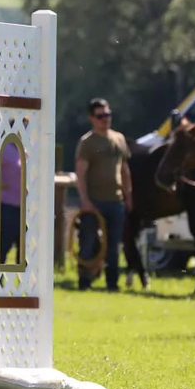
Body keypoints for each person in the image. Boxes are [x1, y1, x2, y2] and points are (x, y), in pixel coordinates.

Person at [74, 98, 132, 291]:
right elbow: (80, 173)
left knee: (113, 246)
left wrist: (128, 195)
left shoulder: (119, 139)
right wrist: (84, 200)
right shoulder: (87, 142)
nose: (105, 119)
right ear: (92, 118)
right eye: (100, 116)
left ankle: (112, 284)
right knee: (88, 242)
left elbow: (124, 169)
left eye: (107, 115)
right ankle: (84, 282)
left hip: (115, 201)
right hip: (94, 201)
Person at [0, 140, 22, 264]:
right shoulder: (5, 148)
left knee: (24, 250)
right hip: (6, 205)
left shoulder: (25, 149)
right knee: (2, 246)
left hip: (24, 208)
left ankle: (24, 282)